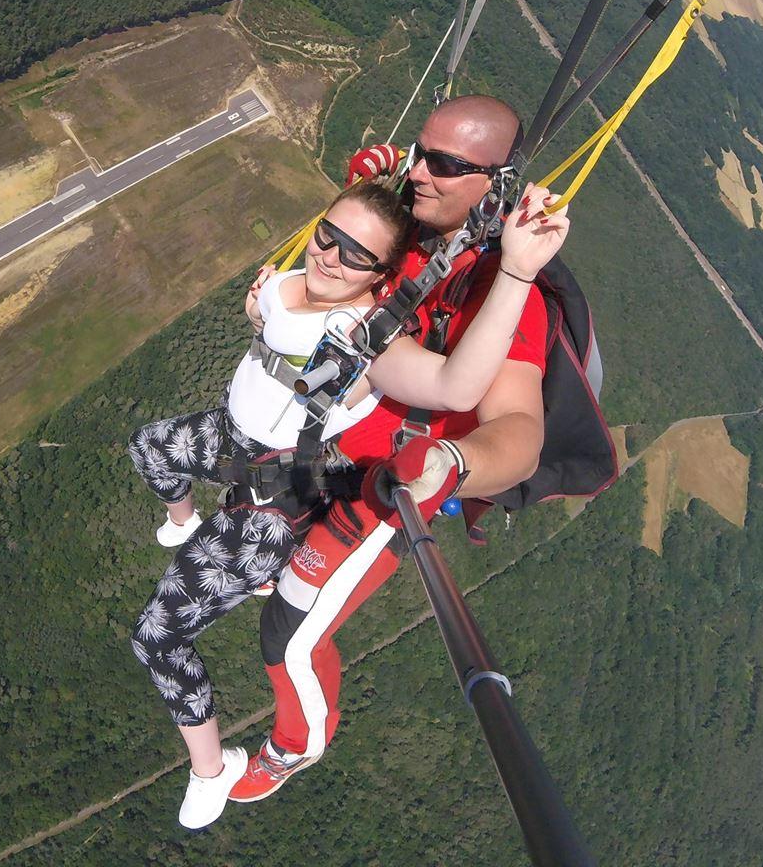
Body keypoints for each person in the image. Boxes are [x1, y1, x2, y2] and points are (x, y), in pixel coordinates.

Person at [127, 177, 570, 828]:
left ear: (381, 275)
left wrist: (516, 273)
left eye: (354, 255)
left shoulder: (365, 329)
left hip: (332, 487)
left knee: (276, 640)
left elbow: (460, 388)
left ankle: (259, 758)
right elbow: (350, 245)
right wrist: (264, 315)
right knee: (150, 448)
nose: (330, 255)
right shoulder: (361, 256)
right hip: (259, 452)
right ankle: (188, 525)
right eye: (325, 237)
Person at [232, 93, 551, 803]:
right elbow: (365, 194)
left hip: (384, 489)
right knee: (239, 505)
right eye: (418, 152)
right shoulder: (411, 233)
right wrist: (376, 163)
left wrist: (452, 465)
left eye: (443, 164)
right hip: (322, 449)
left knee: (287, 634)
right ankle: (269, 548)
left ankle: (294, 745)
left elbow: (520, 433)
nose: (419, 173)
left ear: (493, 184)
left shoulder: (500, 297)